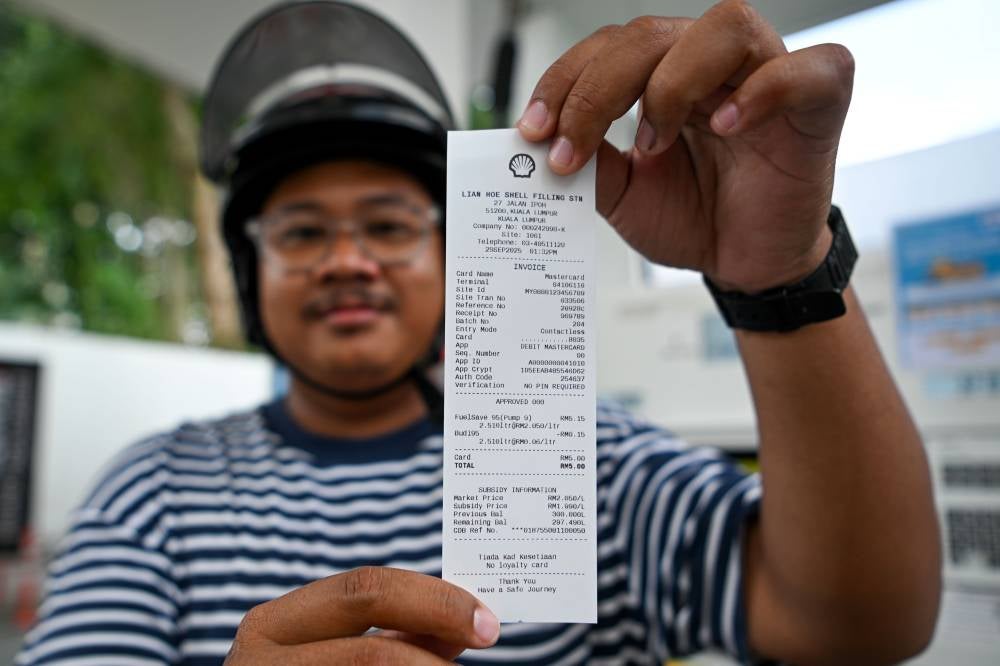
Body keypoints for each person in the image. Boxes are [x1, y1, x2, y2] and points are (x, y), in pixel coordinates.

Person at [17, 1, 941, 664]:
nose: (346, 260)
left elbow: (864, 627)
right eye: (301, 233)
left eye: (387, 224)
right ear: (253, 274)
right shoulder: (148, 492)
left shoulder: (593, 460)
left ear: (456, 257)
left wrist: (780, 273)